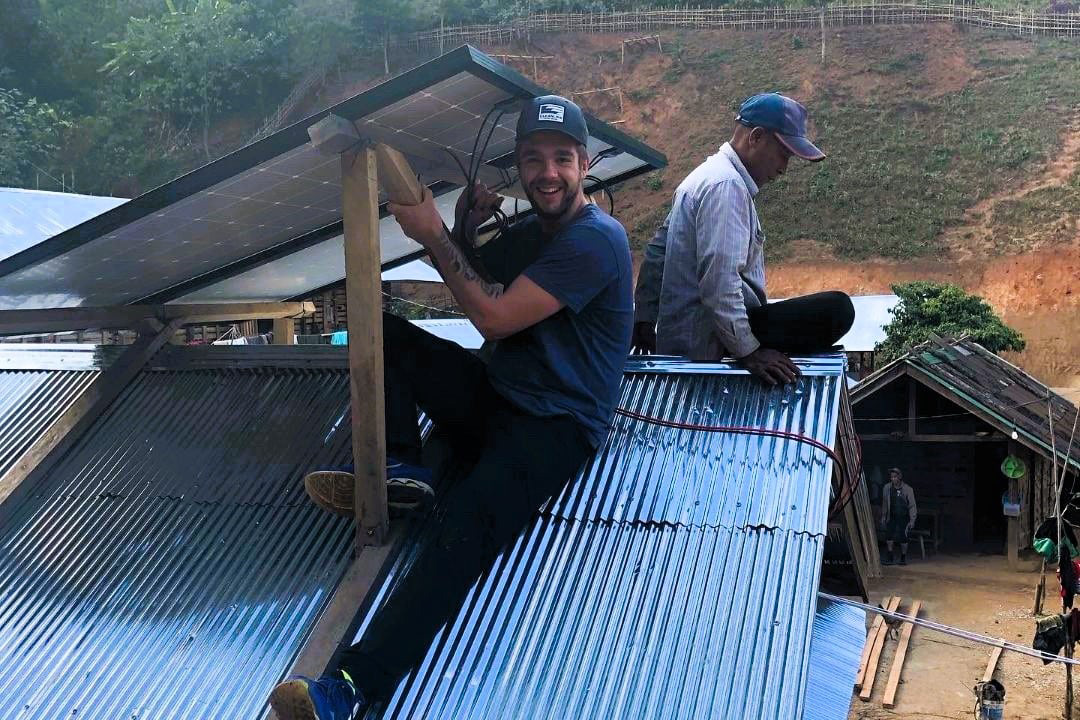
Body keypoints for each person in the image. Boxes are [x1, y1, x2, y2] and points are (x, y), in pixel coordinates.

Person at [268, 95, 633, 720]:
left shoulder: (597, 240)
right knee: (381, 331)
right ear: (517, 165)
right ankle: (406, 468)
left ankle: (352, 684)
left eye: (563, 159)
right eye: (533, 158)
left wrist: (432, 231)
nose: (548, 172)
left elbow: (489, 315)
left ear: (586, 163)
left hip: (556, 425)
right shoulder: (531, 233)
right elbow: (478, 275)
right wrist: (464, 227)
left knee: (458, 538)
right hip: (501, 395)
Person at [631, 92, 854, 385]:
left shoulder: (703, 176)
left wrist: (644, 319)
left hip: (685, 332)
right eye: (784, 154)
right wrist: (750, 351)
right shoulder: (727, 187)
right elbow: (720, 283)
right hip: (711, 338)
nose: (784, 169)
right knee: (837, 309)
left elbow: (657, 251)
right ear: (756, 137)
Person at [881, 467, 917, 565]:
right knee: (889, 536)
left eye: (895, 477)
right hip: (891, 515)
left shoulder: (908, 489)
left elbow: (912, 506)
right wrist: (883, 517)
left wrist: (912, 520)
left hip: (903, 516)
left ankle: (903, 557)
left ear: (899, 477)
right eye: (891, 477)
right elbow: (885, 503)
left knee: (903, 537)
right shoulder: (887, 488)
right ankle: (890, 555)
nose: (893, 479)